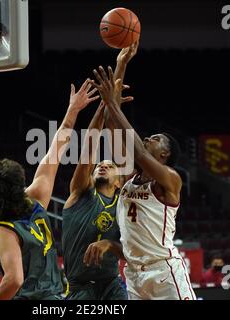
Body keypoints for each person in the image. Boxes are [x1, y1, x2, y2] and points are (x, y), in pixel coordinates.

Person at [0, 79, 99, 300]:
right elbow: (58, 146)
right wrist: (73, 109)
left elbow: (14, 280)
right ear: (20, 183)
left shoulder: (1, 229)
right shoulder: (36, 198)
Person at [90, 65, 196, 300]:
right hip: (134, 276)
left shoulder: (171, 180)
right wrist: (121, 64)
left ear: (164, 155)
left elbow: (139, 153)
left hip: (165, 273)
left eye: (156, 139)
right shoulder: (128, 177)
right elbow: (111, 126)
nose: (148, 138)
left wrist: (114, 104)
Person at [61, 43, 137, 300]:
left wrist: (123, 65)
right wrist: (108, 100)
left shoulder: (124, 200)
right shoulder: (81, 191)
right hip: (80, 288)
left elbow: (120, 132)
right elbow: (92, 140)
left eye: (111, 165)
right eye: (99, 165)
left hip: (112, 285)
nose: (103, 164)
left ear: (119, 181)